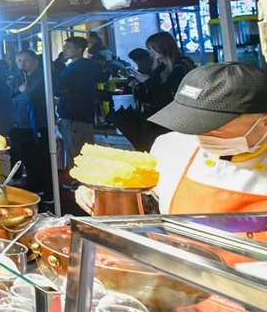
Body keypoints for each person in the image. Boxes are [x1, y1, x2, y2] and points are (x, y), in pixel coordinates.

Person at [77, 63, 267, 216]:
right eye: (192, 124)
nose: (200, 135)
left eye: (212, 125)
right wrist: (103, 193)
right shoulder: (171, 147)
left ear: (263, 121)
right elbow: (148, 203)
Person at [55, 37, 107, 170]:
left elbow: (60, 86)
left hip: (75, 112)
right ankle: (80, 179)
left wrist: (63, 92)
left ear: (79, 50)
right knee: (79, 147)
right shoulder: (88, 65)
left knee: (76, 148)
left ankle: (80, 180)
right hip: (82, 112)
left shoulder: (77, 67)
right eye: (64, 48)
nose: (64, 51)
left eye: (68, 48)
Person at [10, 50, 53, 202]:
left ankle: (45, 189)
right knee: (28, 157)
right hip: (21, 123)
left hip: (38, 123)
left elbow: (29, 96)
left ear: (35, 61)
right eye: (19, 60)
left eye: (26, 60)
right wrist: (18, 91)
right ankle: (34, 185)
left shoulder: (42, 76)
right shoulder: (18, 77)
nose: (22, 63)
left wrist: (17, 95)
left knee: (40, 157)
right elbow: (10, 94)